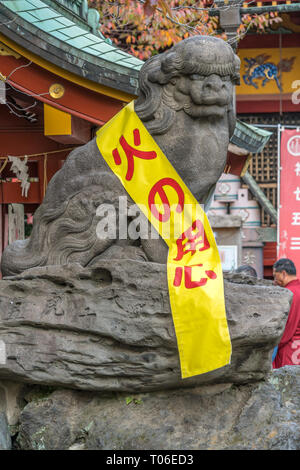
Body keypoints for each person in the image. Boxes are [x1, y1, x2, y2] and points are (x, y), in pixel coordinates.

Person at [272, 258, 300, 368]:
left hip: (291, 348)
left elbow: (288, 326)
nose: (274, 281)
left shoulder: (290, 293)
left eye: (275, 276)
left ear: (283, 274)